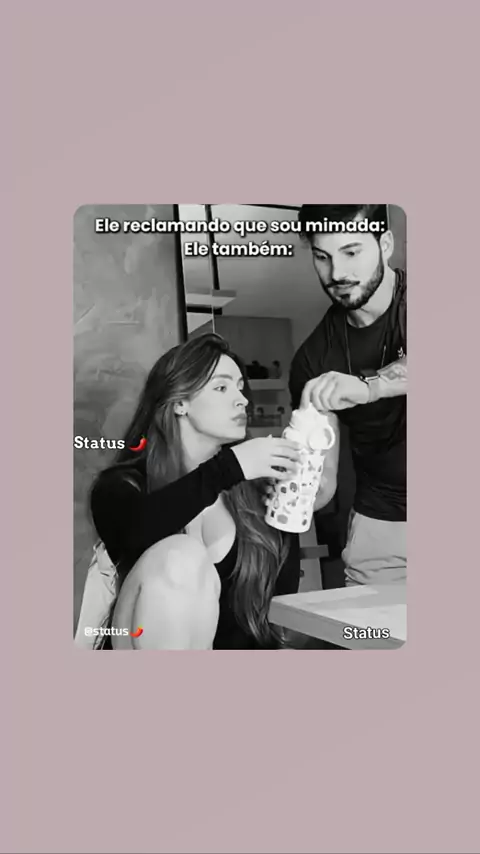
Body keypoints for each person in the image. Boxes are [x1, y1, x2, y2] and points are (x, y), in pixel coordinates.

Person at [88, 333, 303, 649]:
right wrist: (230, 467)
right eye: (221, 388)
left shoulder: (257, 493)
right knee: (182, 556)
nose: (242, 399)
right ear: (179, 403)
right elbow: (133, 532)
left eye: (240, 387)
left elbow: (277, 615)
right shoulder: (123, 485)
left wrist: (287, 513)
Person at [289, 204, 406, 586]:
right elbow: (323, 484)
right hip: (380, 530)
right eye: (322, 257)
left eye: (351, 252)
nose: (337, 273)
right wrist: (280, 491)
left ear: (385, 244)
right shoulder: (312, 360)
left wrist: (369, 386)